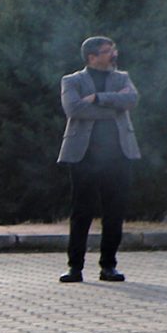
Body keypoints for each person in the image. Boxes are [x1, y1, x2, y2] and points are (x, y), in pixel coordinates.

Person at [56, 35, 139, 283]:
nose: (113, 54)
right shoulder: (71, 80)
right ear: (92, 57)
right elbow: (74, 109)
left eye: (113, 49)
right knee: (81, 211)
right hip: (83, 156)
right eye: (106, 51)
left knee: (114, 211)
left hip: (118, 155)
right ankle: (75, 267)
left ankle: (109, 266)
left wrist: (98, 98)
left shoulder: (122, 78)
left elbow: (132, 99)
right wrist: (114, 105)